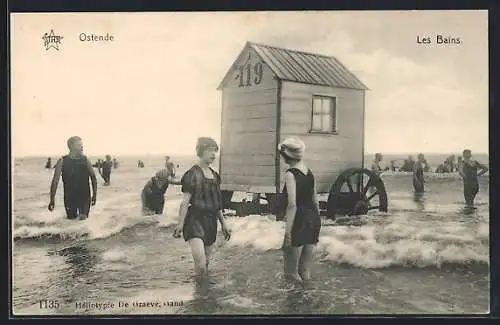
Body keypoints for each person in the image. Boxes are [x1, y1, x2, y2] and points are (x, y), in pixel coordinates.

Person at [173, 137, 231, 285]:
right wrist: (180, 224)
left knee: (206, 263)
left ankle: (202, 294)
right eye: (209, 151)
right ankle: (200, 294)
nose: (213, 155)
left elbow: (217, 204)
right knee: (200, 262)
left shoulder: (215, 176)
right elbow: (185, 203)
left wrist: (224, 223)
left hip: (211, 222)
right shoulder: (192, 174)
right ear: (200, 151)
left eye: (215, 151)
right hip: (195, 220)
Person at [279, 137, 321, 288]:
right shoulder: (309, 172)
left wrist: (287, 233)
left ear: (286, 156)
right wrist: (317, 222)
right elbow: (315, 200)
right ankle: (309, 299)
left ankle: (295, 306)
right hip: (313, 219)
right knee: (305, 271)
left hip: (299, 220)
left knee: (290, 273)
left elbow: (292, 205)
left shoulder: (290, 174)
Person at [48, 136, 97, 220]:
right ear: (71, 146)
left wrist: (94, 195)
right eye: (79, 145)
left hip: (84, 196)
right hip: (69, 197)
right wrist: (52, 199)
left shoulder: (85, 160)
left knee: (83, 221)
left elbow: (93, 178)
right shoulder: (62, 161)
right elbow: (55, 181)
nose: (82, 147)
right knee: (71, 222)